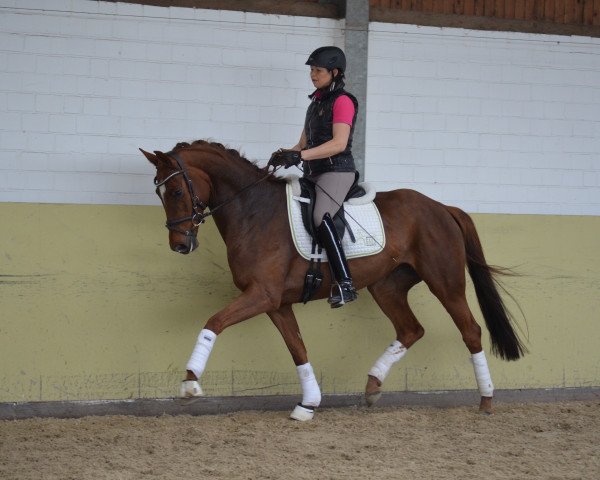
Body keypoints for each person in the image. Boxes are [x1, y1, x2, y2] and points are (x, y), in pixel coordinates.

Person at [269, 46, 359, 308]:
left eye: (318, 70)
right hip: (313, 172)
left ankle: (345, 283)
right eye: (311, 70)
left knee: (321, 216)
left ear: (334, 72)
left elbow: (339, 143)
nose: (313, 75)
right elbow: (301, 145)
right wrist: (284, 154)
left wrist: (302, 156)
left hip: (337, 171)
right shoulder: (315, 103)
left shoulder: (343, 101)